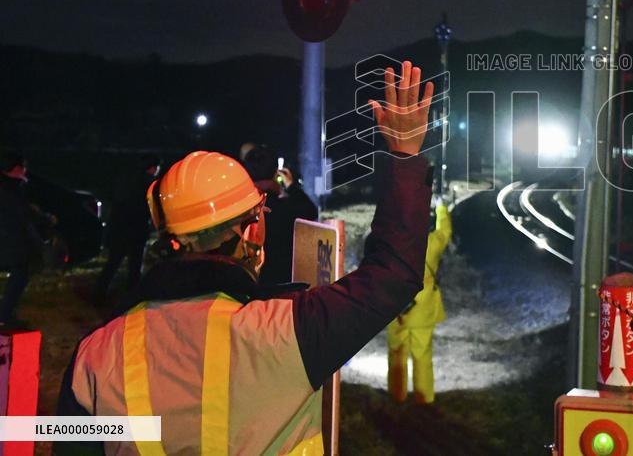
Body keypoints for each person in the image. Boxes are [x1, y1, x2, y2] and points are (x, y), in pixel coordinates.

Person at [56, 61, 434, 454]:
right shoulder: (288, 333)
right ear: (249, 230)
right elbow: (393, 276)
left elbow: (66, 443)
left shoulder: (97, 353)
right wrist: (405, 156)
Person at [387, 196, 453, 404]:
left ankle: (397, 395)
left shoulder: (391, 245)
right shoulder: (431, 243)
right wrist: (441, 207)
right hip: (423, 308)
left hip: (396, 307)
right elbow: (445, 232)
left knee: (396, 353)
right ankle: (424, 398)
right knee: (422, 355)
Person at [241, 145, 318, 286]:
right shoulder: (288, 208)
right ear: (276, 172)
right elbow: (311, 211)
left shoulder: (240, 209)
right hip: (282, 289)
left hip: (248, 289)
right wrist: (292, 186)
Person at [94, 154, 161, 302]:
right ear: (153, 168)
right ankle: (132, 297)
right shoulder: (150, 185)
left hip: (120, 227)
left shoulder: (127, 180)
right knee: (135, 265)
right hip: (138, 229)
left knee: (113, 262)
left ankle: (99, 293)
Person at [0, 152, 40, 327]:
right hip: (9, 241)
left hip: (8, 240)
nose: (25, 172)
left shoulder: (8, 187)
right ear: (16, 169)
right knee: (20, 273)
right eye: (23, 168)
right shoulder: (10, 189)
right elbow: (21, 216)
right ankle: (5, 314)